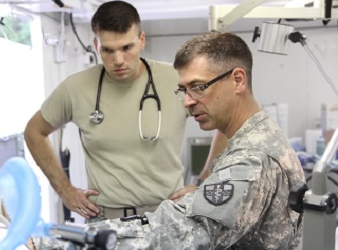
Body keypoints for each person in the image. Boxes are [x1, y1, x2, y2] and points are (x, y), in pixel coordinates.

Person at [88, 31, 306, 249]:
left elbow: (186, 235)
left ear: (237, 81)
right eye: (184, 90)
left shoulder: (253, 157)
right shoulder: (254, 137)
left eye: (198, 87)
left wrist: (89, 237)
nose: (188, 101)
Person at [24, 0, 226, 222]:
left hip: (166, 219)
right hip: (106, 223)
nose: (118, 60)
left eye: (126, 48)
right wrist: (64, 190)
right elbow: (34, 131)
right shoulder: (76, 88)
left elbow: (225, 122)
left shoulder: (176, 80)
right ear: (95, 44)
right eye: (108, 50)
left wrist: (203, 182)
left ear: (141, 40)